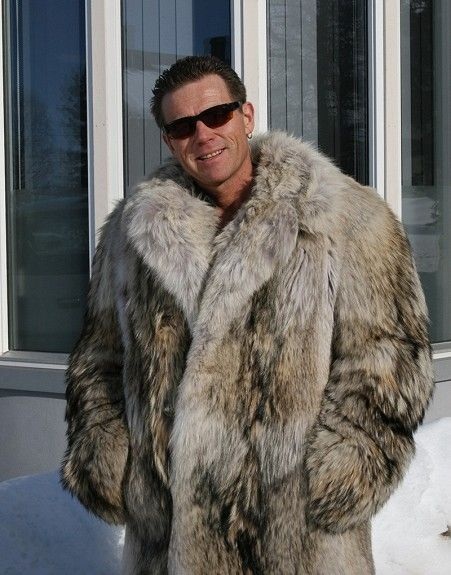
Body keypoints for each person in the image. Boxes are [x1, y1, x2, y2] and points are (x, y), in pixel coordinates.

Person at [61, 56, 434, 574]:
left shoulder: (344, 216)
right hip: (171, 538)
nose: (204, 134)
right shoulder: (132, 235)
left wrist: (342, 470)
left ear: (246, 115)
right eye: (183, 126)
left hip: (298, 535)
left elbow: (389, 352)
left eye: (216, 115)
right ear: (169, 141)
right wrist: (108, 454)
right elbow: (99, 356)